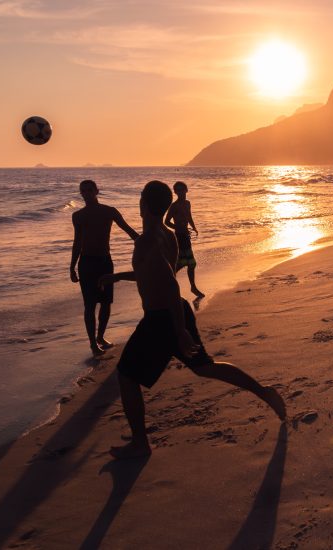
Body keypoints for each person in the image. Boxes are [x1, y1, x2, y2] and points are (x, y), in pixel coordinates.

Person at [101, 181, 286, 460]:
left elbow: (169, 285)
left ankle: (140, 444)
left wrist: (179, 331)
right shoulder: (168, 235)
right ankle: (264, 392)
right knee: (205, 367)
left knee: (127, 377)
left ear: (143, 204)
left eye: (140, 197)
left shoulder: (146, 239)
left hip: (162, 317)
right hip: (177, 312)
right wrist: (117, 277)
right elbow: (155, 273)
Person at [70, 179, 139, 356]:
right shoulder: (78, 216)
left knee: (106, 303)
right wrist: (72, 267)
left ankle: (100, 337)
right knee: (90, 305)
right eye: (83, 191)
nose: (86, 193)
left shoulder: (109, 211)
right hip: (86, 263)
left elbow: (129, 231)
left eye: (89, 190)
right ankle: (93, 344)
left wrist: (148, 243)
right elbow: (77, 243)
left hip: (105, 261)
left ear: (96, 191)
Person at [166, 181, 204, 300]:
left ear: (186, 190)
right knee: (187, 263)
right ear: (175, 192)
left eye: (183, 189)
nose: (181, 192)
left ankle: (176, 285)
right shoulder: (174, 206)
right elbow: (166, 221)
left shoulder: (187, 203)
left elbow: (189, 216)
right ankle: (170, 284)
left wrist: (193, 227)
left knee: (187, 263)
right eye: (178, 190)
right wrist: (178, 228)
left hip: (186, 236)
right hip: (179, 237)